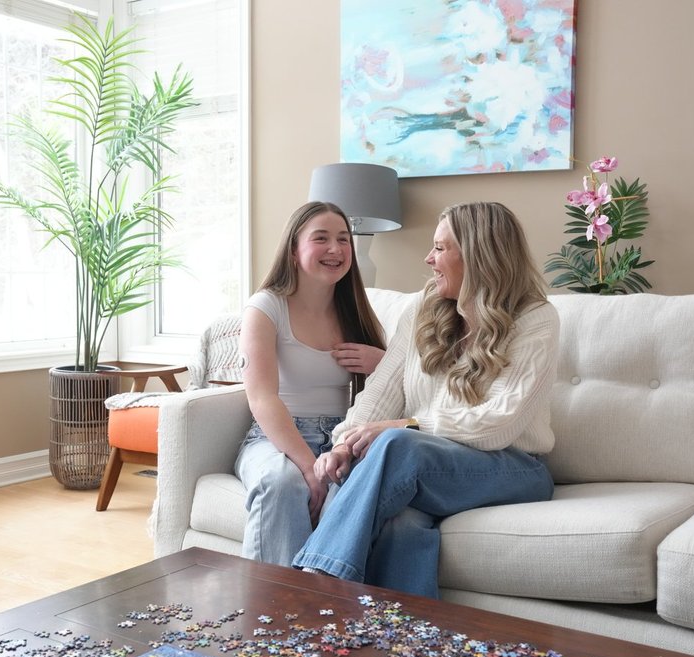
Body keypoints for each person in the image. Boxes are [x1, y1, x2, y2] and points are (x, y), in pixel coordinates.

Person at [292, 201, 558, 598]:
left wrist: (409, 426)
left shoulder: (535, 318)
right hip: (429, 467)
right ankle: (403, 646)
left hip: (513, 467)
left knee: (399, 444)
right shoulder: (423, 307)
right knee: (403, 524)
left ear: (478, 255)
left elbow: (499, 424)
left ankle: (317, 584)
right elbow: (381, 391)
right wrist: (345, 443)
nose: (428, 258)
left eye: (440, 248)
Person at [235, 200, 387, 566]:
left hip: (341, 440)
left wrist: (381, 363)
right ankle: (272, 609)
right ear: (293, 249)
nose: (335, 249)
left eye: (343, 239)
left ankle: (321, 609)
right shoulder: (266, 307)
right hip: (276, 438)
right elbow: (262, 398)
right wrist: (307, 467)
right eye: (321, 238)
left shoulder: (359, 314)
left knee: (352, 495)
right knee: (282, 484)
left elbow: (394, 395)